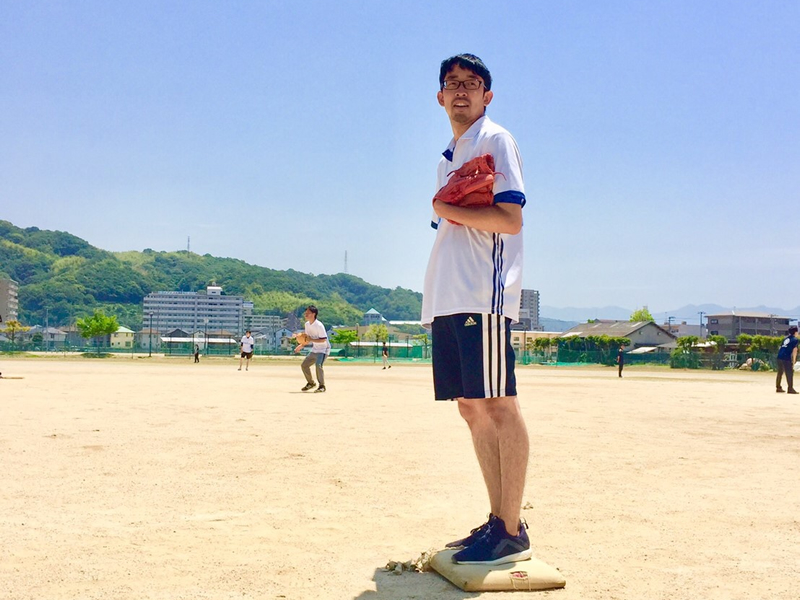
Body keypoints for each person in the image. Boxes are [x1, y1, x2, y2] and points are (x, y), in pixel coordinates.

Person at [422, 54, 531, 566]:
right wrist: (447, 208)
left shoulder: (495, 139)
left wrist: (444, 207)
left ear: (488, 95)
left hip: (481, 293)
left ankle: (511, 528)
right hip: (448, 293)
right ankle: (498, 520)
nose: (461, 90)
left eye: (472, 83)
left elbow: (510, 219)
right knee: (470, 407)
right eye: (452, 83)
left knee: (499, 405)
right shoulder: (448, 156)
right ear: (440, 97)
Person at [294, 305, 329, 393]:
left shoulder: (319, 325)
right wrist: (301, 346)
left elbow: (323, 339)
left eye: (308, 313)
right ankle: (311, 383)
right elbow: (307, 338)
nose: (306, 315)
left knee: (318, 365)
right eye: (305, 313)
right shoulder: (307, 325)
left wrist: (311, 340)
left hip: (324, 349)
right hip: (315, 349)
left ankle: (322, 386)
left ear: (313, 314)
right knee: (304, 365)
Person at [776, 326, 798, 394]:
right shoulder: (795, 339)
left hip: (779, 356)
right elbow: (795, 350)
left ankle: (778, 387)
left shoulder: (785, 339)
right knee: (789, 373)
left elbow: (781, 347)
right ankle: (790, 388)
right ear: (795, 332)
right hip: (786, 357)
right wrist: (794, 360)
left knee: (780, 372)